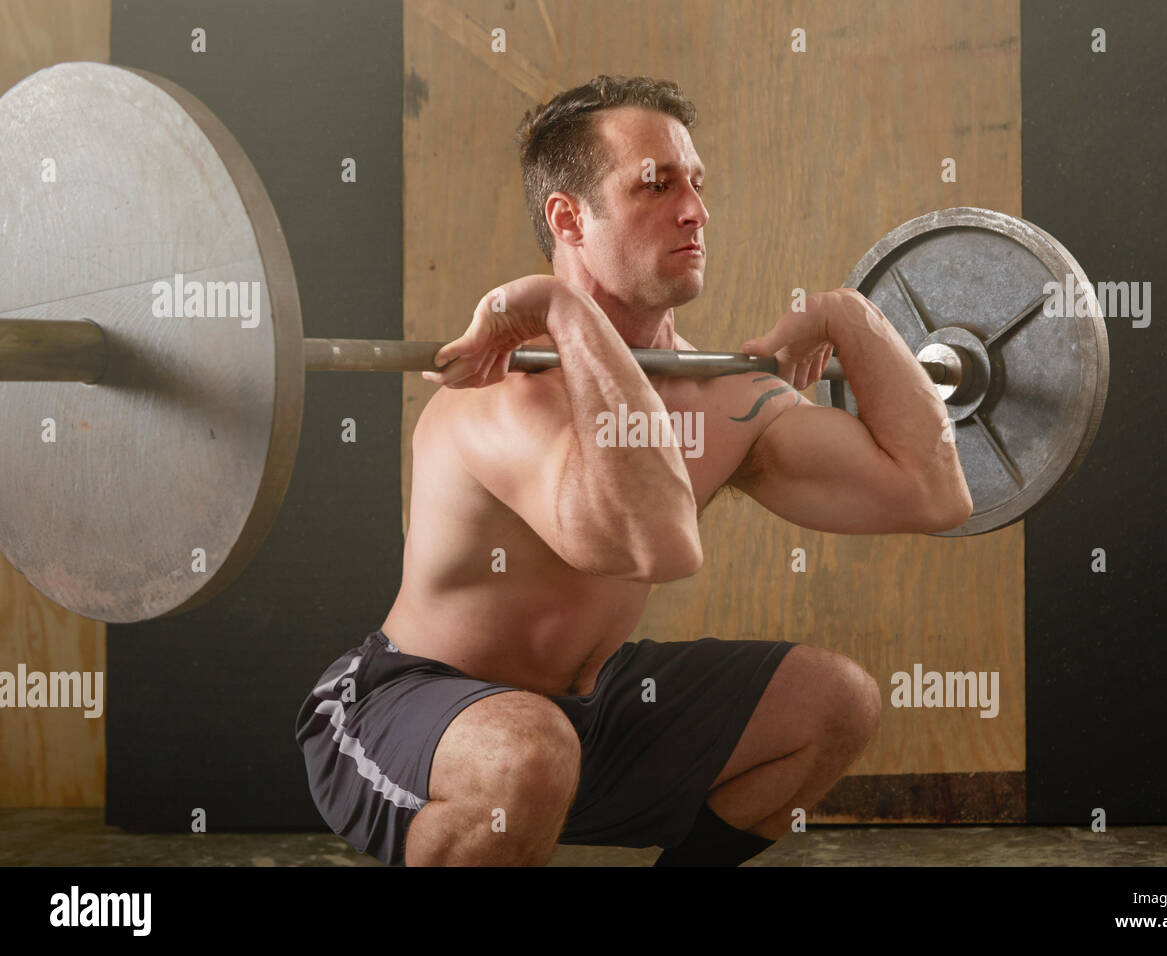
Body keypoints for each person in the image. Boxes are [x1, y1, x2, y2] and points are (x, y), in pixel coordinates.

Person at [296, 75, 971, 867]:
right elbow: (657, 546)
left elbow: (932, 492)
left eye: (696, 182)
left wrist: (849, 317)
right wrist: (564, 310)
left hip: (588, 712)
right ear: (568, 218)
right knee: (530, 750)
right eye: (655, 184)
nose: (695, 209)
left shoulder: (727, 397)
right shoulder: (506, 394)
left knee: (835, 702)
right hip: (412, 710)